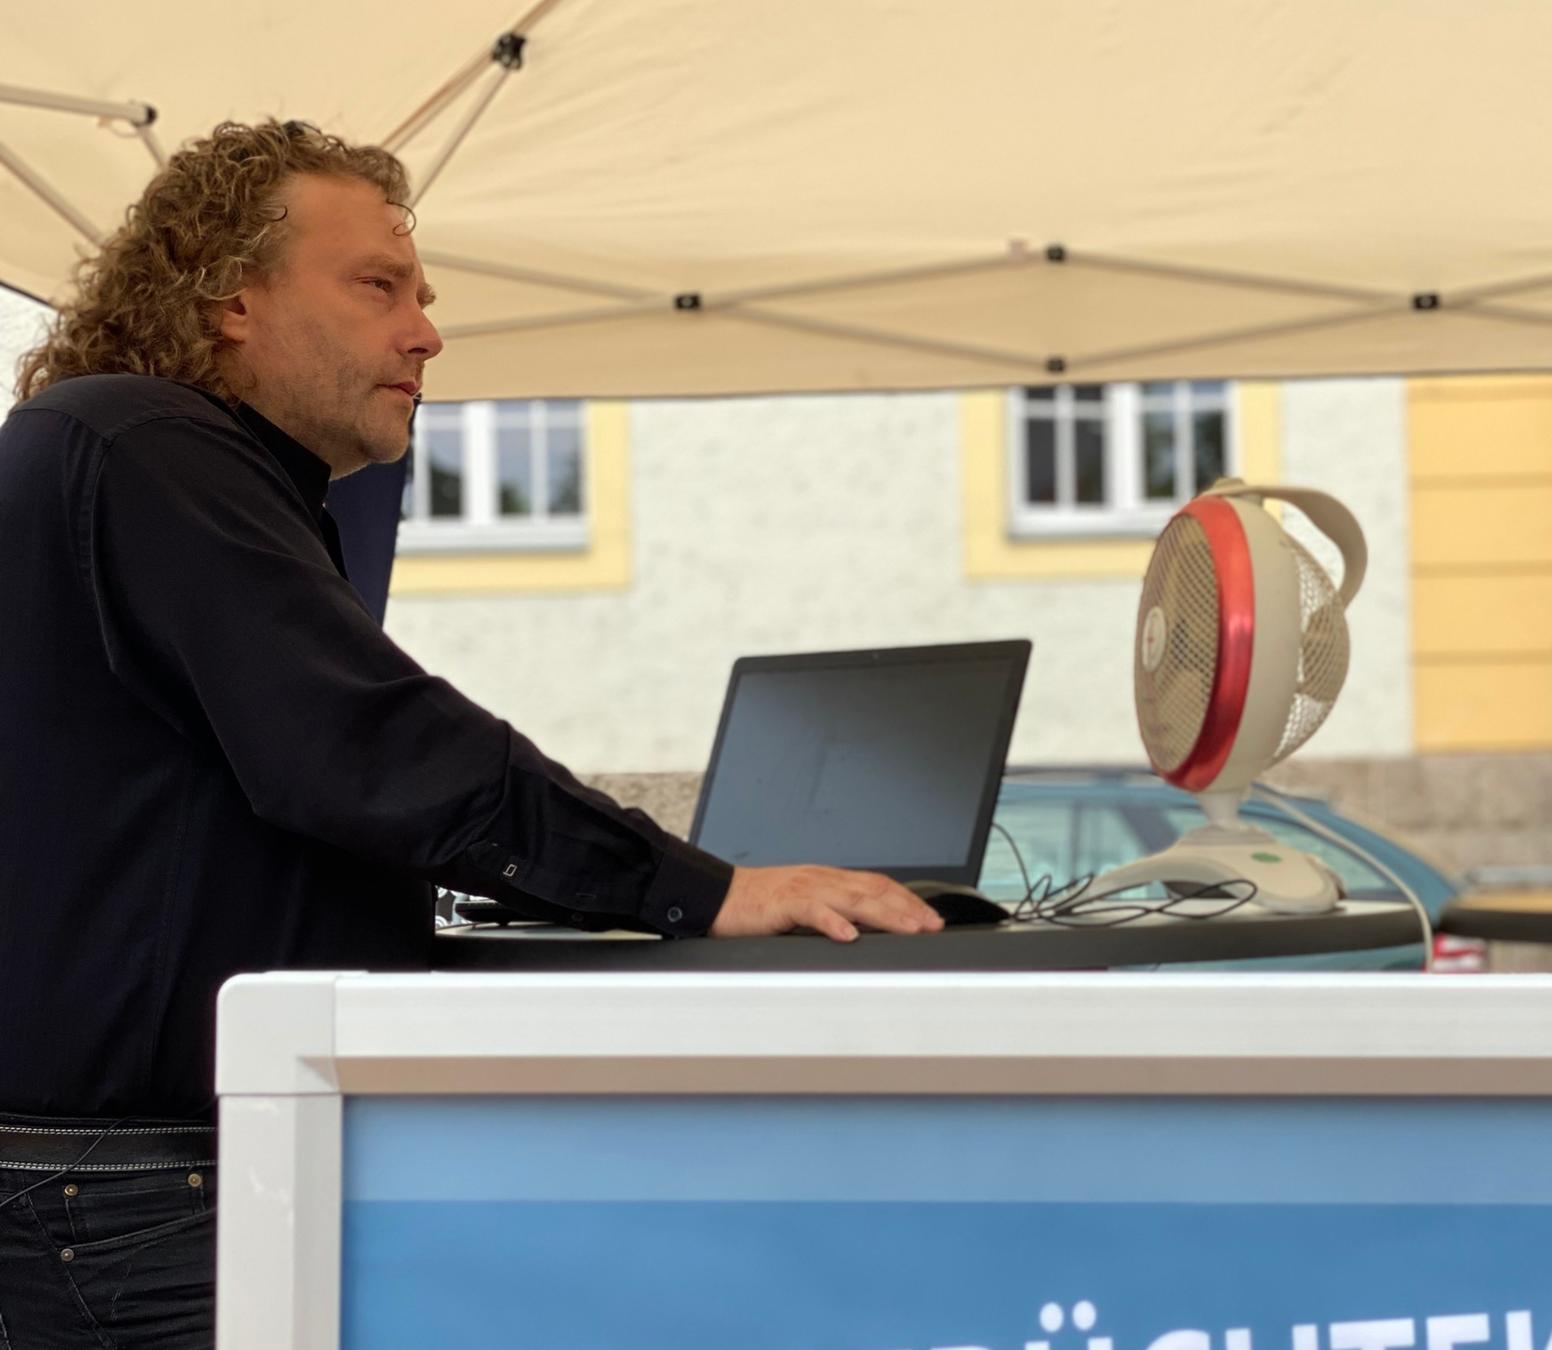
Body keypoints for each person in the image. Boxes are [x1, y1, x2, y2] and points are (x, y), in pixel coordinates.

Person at [0, 121, 943, 1348]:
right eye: (378, 286)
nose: (426, 331)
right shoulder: (143, 445)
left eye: (424, 295)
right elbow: (368, 747)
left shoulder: (127, 455)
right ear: (228, 297)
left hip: (132, 1183)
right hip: (154, 1194)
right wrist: (697, 888)